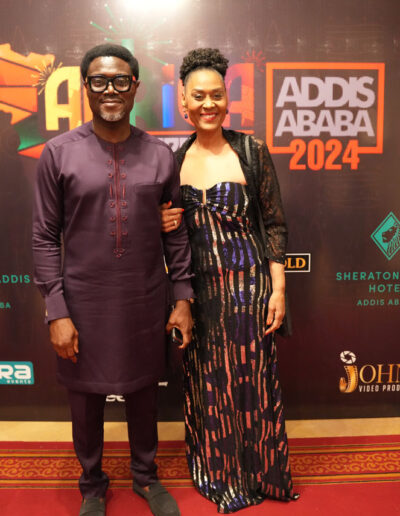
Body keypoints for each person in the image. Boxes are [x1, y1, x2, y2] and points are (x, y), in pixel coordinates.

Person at [32, 43, 193, 516]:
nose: (110, 90)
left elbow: (175, 230)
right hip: (82, 301)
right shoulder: (58, 154)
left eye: (120, 80)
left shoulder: (160, 155)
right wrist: (56, 310)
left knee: (144, 392)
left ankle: (146, 476)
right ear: (85, 87)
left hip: (144, 297)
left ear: (135, 87)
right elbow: (44, 237)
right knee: (85, 400)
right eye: (99, 81)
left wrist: (182, 296)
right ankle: (92, 486)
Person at [160, 48, 298, 513]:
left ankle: (262, 473)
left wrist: (278, 289)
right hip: (200, 295)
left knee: (252, 383)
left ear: (227, 98)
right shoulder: (172, 161)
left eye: (216, 95)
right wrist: (162, 222)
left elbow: (274, 225)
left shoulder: (251, 151)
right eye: (198, 95)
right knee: (209, 385)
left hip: (249, 290)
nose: (208, 104)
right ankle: (220, 473)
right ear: (183, 100)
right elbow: (167, 233)